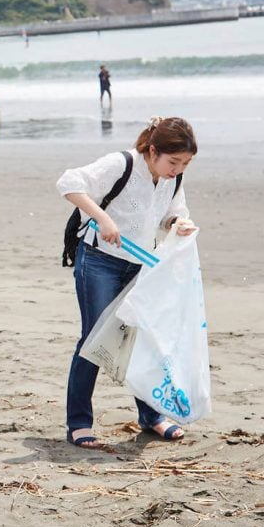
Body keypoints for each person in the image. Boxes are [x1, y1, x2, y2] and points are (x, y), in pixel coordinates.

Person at [57, 117, 198, 449]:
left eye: (185, 164)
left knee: (142, 339)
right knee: (95, 339)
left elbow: (171, 214)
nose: (177, 170)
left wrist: (180, 223)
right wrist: (103, 218)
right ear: (152, 151)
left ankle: (151, 417)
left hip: (141, 267)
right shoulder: (121, 163)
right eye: (173, 161)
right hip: (99, 262)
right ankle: (78, 423)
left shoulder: (172, 179)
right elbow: (68, 182)